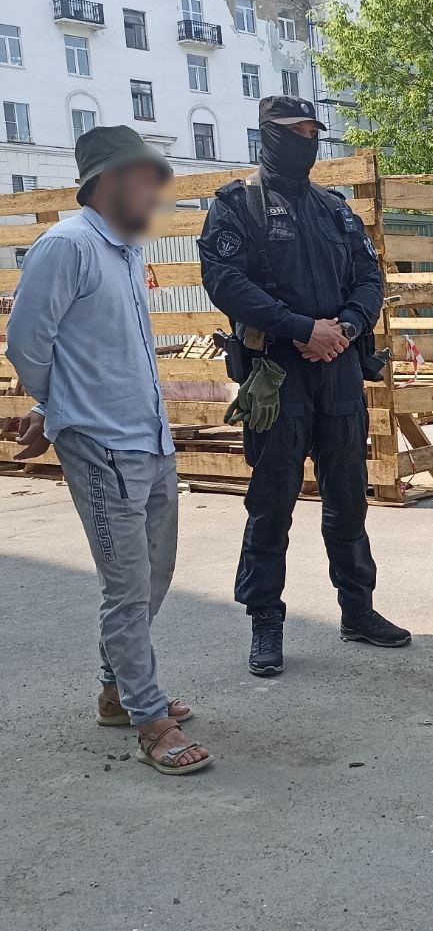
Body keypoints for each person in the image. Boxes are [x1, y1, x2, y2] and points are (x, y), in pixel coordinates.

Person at [6, 126, 211, 775]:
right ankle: (149, 720)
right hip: (100, 445)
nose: (154, 193)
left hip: (148, 437)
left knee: (154, 574)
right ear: (109, 181)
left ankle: (116, 691)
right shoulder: (67, 245)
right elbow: (26, 343)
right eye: (145, 180)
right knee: (126, 586)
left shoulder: (122, 251)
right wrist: (61, 408)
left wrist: (49, 406)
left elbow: (95, 348)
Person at [198, 96, 409, 677]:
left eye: (314, 132)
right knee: (271, 503)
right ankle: (265, 620)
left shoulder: (335, 209)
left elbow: (369, 278)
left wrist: (345, 329)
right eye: (296, 131)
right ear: (268, 134)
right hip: (276, 374)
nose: (308, 141)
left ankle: (358, 610)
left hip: (338, 371)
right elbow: (225, 281)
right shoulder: (237, 206)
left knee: (349, 499)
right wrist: (300, 329)